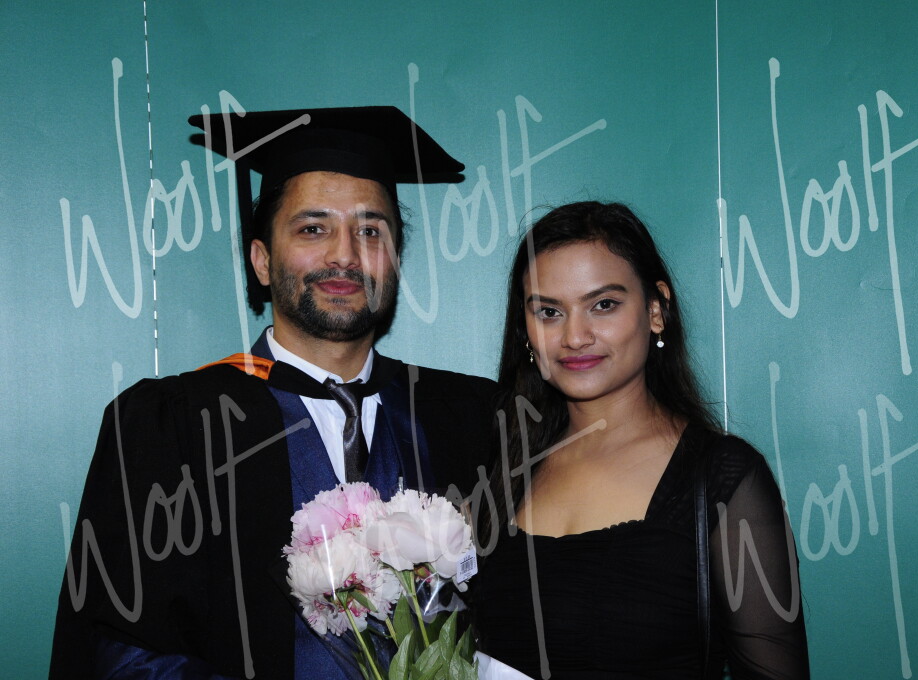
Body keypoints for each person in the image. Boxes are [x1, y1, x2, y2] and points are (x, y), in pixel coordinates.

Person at [50, 107, 496, 679]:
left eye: (370, 231)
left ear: (394, 261)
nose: (344, 255)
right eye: (313, 229)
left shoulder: (467, 417)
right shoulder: (175, 425)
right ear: (261, 260)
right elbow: (120, 653)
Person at [470, 202, 809, 679]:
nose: (575, 336)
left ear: (655, 309)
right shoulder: (499, 465)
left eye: (603, 305)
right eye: (549, 312)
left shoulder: (723, 479)